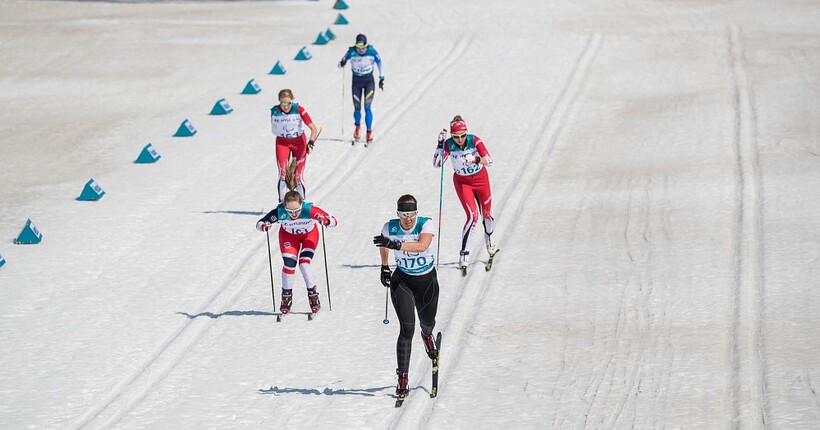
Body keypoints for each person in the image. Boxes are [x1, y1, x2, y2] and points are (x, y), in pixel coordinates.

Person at [372, 194, 440, 400]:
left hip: (426, 282)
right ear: (398, 214)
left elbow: (422, 246)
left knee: (427, 322)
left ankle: (427, 335)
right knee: (407, 329)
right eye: (403, 215)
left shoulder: (425, 224)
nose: (408, 219)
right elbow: (383, 244)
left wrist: (396, 245)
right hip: (402, 282)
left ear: (416, 213)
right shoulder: (390, 227)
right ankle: (402, 378)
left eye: (411, 214)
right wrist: (384, 266)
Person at [257, 160, 337, 315]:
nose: (293, 214)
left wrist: (326, 221)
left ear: (302, 205)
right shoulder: (280, 211)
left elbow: (334, 221)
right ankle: (286, 298)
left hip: (309, 236)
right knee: (289, 264)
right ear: (284, 207)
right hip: (289, 237)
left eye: (297, 211)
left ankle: (313, 297)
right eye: (289, 212)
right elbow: (260, 223)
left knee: (304, 264)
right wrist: (264, 226)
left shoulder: (309, 210)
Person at [433, 115, 498, 271]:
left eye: (462, 135)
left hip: (481, 180)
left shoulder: (474, 140)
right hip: (463, 182)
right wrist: (440, 145)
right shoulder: (449, 144)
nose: (460, 139)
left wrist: (476, 160)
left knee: (487, 215)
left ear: (466, 133)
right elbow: (437, 164)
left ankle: (489, 239)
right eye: (456, 136)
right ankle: (464, 253)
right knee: (473, 216)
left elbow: (489, 160)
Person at [270, 88, 319, 202]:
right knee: (283, 174)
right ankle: (282, 202)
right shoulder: (275, 111)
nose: (285, 106)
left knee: (298, 176)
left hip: (299, 143)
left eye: (288, 103)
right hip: (282, 143)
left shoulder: (299, 110)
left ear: (292, 100)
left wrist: (311, 143)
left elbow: (313, 129)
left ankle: (302, 202)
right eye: (283, 103)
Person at [338, 33, 384, 144]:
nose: (361, 50)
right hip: (356, 82)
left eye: (363, 47)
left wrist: (381, 78)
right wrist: (342, 63)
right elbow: (339, 65)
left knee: (367, 107)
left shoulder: (371, 51)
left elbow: (379, 63)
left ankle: (369, 132)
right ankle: (358, 127)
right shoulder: (351, 52)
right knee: (357, 108)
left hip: (369, 81)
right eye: (359, 48)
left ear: (366, 45)